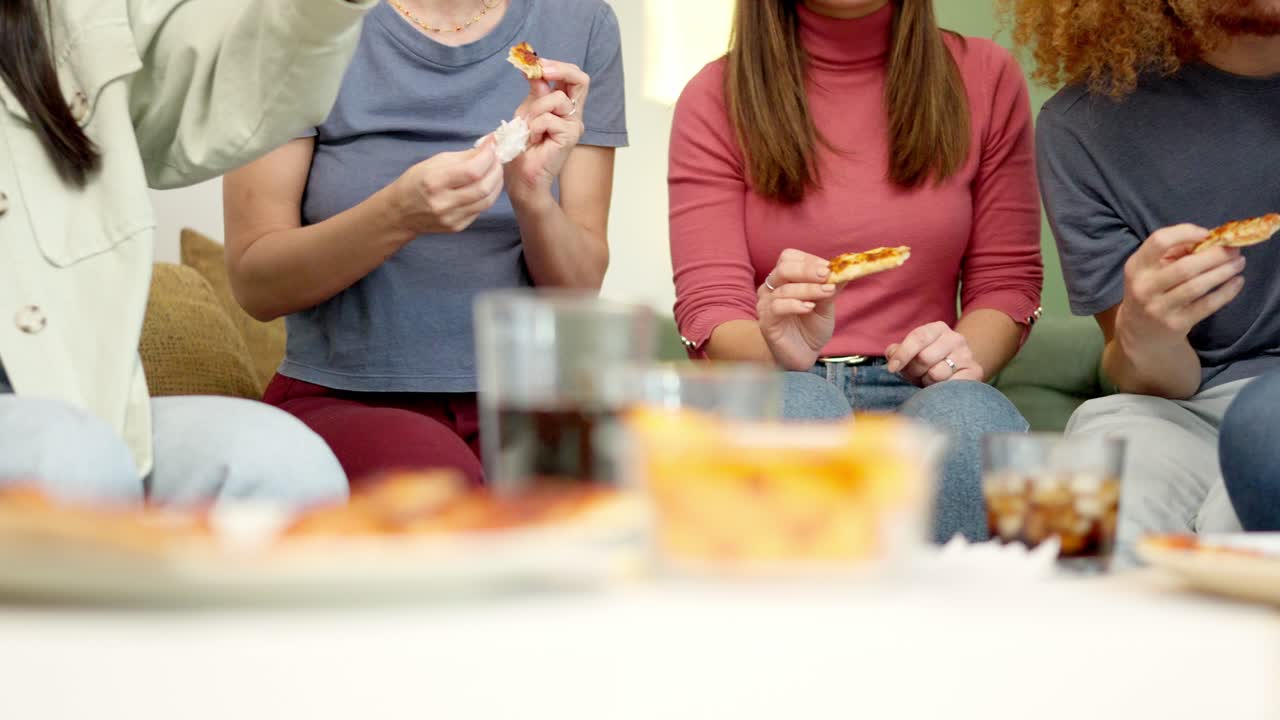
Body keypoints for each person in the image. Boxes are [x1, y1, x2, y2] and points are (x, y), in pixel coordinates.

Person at [668, 0, 1044, 542]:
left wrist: (959, 357)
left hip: (926, 393)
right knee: (796, 405)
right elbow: (709, 308)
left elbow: (1007, 283)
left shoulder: (986, 76)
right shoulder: (714, 95)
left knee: (966, 415)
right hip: (780, 383)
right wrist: (776, 349)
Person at [222, 0, 626, 488]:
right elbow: (255, 284)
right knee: (439, 484)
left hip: (528, 403)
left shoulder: (582, 22)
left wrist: (532, 195)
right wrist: (397, 215)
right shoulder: (298, 20)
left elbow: (577, 294)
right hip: (345, 399)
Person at [0, 0, 380, 507]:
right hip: (65, 442)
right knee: (72, 458)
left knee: (280, 464)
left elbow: (228, 92)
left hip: (72, 395)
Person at [1004, 0, 1280, 546]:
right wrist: (1146, 328)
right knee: (1061, 511)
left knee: (1250, 479)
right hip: (1180, 408)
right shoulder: (1082, 124)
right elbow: (1159, 379)